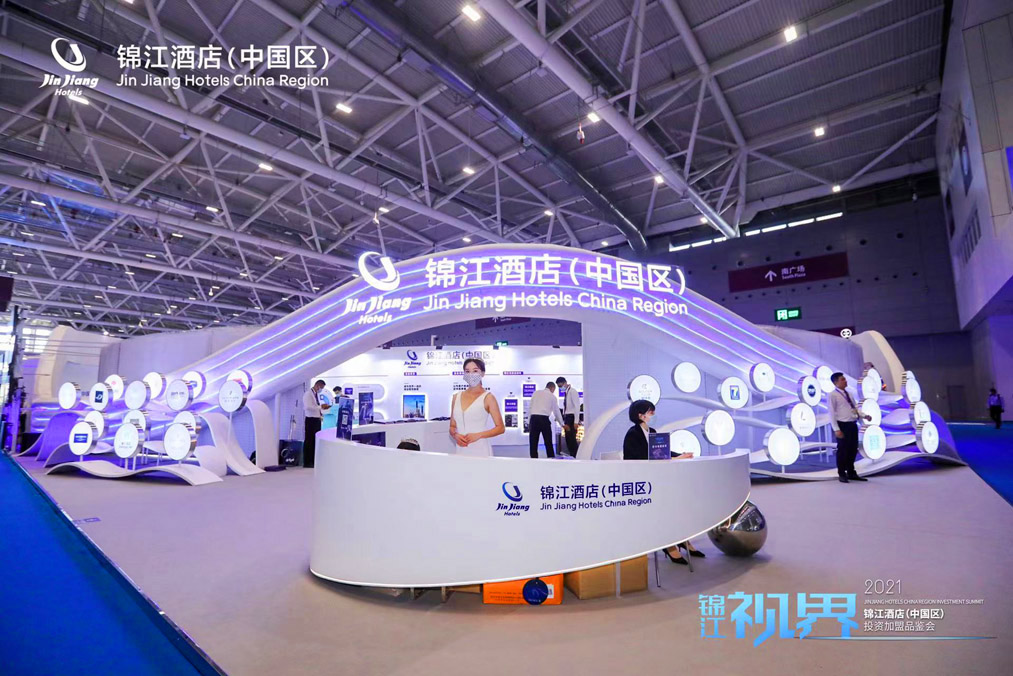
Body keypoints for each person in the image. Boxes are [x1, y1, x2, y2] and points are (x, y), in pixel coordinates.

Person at [622, 400, 702, 565]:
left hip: (658, 479)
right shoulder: (632, 434)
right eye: (650, 412)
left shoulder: (652, 432)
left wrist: (680, 454)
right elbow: (641, 458)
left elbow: (661, 451)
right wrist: (674, 458)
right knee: (662, 509)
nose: (653, 415)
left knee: (676, 505)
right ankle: (669, 544)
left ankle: (680, 539)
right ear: (640, 415)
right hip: (643, 483)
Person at [449, 358, 505, 457]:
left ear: (482, 373)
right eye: (467, 371)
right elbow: (452, 426)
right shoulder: (456, 397)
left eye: (475, 371)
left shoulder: (488, 398)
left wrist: (478, 435)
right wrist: (455, 435)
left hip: (480, 449)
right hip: (461, 449)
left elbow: (500, 428)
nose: (471, 374)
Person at [829, 372, 872, 483]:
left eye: (845, 379)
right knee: (842, 450)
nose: (845, 381)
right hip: (842, 425)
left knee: (852, 449)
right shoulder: (833, 395)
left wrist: (865, 415)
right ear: (836, 382)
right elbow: (831, 413)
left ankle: (851, 472)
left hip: (852, 424)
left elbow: (855, 408)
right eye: (842, 379)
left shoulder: (849, 394)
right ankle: (842, 473)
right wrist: (836, 429)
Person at [528, 381, 566, 458]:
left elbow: (530, 408)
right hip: (544, 419)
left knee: (533, 442)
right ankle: (551, 458)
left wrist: (529, 422)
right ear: (552, 388)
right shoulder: (552, 397)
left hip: (534, 419)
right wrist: (562, 424)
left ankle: (533, 459)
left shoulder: (536, 393)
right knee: (548, 441)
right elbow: (556, 411)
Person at [302, 379, 331, 468]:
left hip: (316, 419)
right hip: (311, 420)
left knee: (314, 441)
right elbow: (308, 407)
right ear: (317, 385)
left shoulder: (315, 394)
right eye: (321, 387)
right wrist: (320, 407)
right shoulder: (308, 394)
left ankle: (313, 460)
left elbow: (315, 406)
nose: (321, 389)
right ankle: (307, 462)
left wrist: (321, 409)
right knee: (309, 440)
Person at [556, 376, 580, 456]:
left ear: (565, 383)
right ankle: (572, 455)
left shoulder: (573, 391)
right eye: (559, 387)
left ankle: (576, 456)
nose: (560, 388)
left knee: (572, 439)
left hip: (571, 417)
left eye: (561, 386)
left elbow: (577, 406)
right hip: (567, 417)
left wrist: (576, 421)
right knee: (568, 439)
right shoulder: (567, 393)